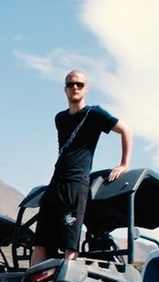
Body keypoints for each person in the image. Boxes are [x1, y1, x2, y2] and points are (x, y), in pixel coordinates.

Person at [30, 69, 133, 266]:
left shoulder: (94, 114)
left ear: (86, 89)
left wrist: (123, 164)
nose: (75, 88)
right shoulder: (60, 119)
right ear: (65, 89)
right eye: (70, 84)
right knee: (40, 242)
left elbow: (126, 130)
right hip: (56, 182)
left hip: (76, 183)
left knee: (71, 244)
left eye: (79, 84)